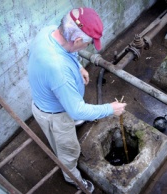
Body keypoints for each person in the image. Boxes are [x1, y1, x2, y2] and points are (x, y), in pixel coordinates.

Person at [28, 7, 127, 193]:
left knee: (72, 114)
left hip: (55, 101)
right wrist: (110, 109)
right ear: (78, 40)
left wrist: (79, 67)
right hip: (54, 117)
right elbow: (77, 110)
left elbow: (69, 51)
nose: (88, 47)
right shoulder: (58, 70)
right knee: (69, 151)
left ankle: (72, 126)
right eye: (88, 44)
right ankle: (72, 176)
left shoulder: (49, 31)